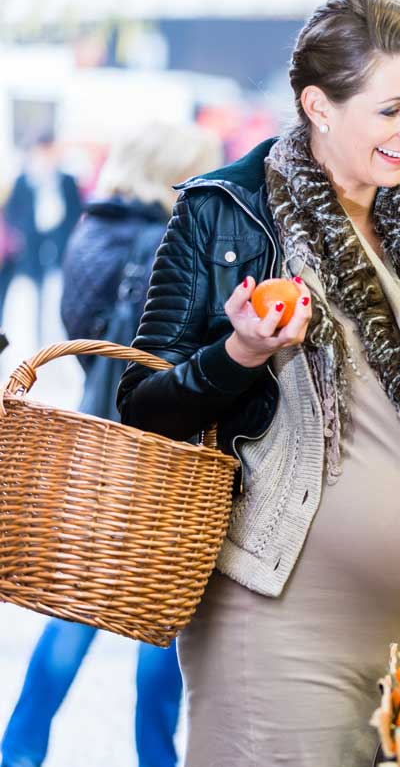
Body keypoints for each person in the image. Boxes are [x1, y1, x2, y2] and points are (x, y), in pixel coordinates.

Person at [116, 0, 400, 767]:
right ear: (319, 107)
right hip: (279, 630)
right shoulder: (228, 213)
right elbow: (142, 410)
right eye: (391, 110)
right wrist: (243, 351)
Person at [0, 123, 222, 767]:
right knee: (160, 610)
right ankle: (156, 757)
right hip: (150, 451)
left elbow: (79, 326)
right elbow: (160, 354)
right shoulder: (161, 242)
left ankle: (20, 748)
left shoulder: (94, 227)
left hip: (95, 444)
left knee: (78, 597)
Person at [2, 132, 82, 339]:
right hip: (33, 245)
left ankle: (57, 339)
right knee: (33, 294)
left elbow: (75, 209)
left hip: (59, 243)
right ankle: (37, 336)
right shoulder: (24, 180)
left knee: (58, 293)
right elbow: (14, 212)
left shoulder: (66, 180)